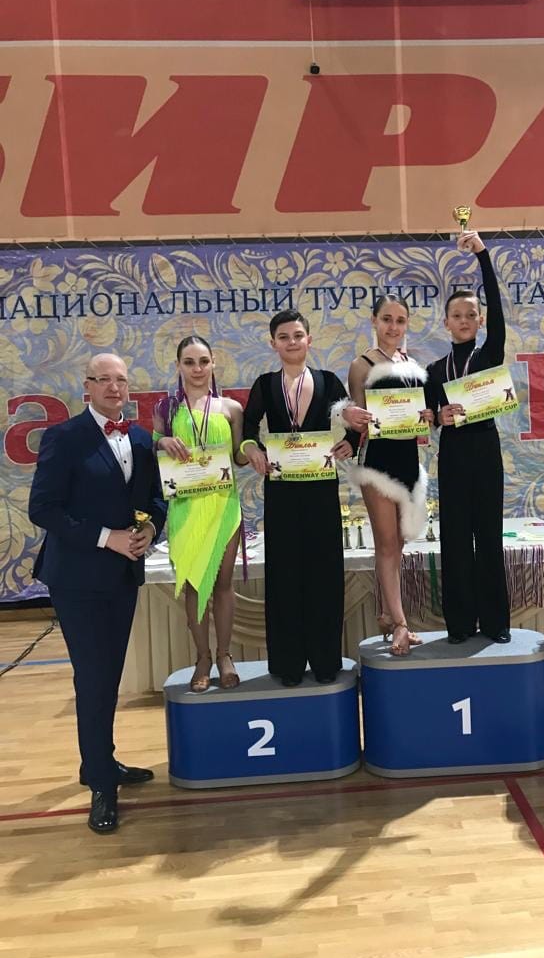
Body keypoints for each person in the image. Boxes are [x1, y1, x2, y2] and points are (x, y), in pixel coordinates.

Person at [28, 353, 166, 834]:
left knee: (107, 677)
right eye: (103, 379)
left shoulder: (142, 439)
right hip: (77, 578)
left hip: (122, 577)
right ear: (86, 386)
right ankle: (103, 786)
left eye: (120, 379)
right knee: (93, 679)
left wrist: (150, 531)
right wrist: (108, 537)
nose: (113, 387)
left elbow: (154, 500)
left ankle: (99, 763)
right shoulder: (64, 437)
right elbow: (43, 508)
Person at [239, 309, 364, 687]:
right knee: (284, 574)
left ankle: (326, 660)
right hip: (281, 491)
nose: (291, 342)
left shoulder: (328, 381)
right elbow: (248, 425)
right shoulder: (264, 384)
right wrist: (251, 448)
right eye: (284, 337)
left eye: (297, 335)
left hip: (321, 490)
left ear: (309, 339)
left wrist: (352, 441)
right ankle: (288, 663)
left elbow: (352, 418)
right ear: (273, 343)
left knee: (325, 572)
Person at [425, 230, 510, 644]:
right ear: (446, 323)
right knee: (456, 539)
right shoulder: (433, 370)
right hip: (453, 455)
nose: (463, 320)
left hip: (486, 451)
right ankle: (459, 624)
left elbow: (496, 302)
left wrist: (483, 256)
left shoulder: (489, 354)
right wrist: (438, 418)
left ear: (481, 320)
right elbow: (426, 417)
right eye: (456, 315)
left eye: (470, 314)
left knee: (488, 537)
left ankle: (495, 623)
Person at [153, 336, 244, 693]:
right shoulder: (166, 409)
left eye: (203, 361)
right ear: (178, 365)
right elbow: (152, 448)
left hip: (224, 505)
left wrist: (255, 450)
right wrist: (161, 442)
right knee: (193, 583)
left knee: (223, 584)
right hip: (186, 507)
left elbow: (239, 456)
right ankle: (202, 657)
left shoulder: (231, 408)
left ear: (213, 363)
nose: (197, 369)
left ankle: (224, 655)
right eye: (189, 362)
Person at [347, 295, 433, 656]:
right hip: (377, 462)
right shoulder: (361, 364)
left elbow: (420, 416)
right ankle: (400, 624)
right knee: (385, 543)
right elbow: (356, 418)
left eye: (400, 320)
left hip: (407, 461)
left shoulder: (412, 365)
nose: (393, 327)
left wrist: (426, 417)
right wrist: (357, 421)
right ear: (374, 321)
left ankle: (386, 612)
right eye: (386, 319)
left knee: (398, 544)